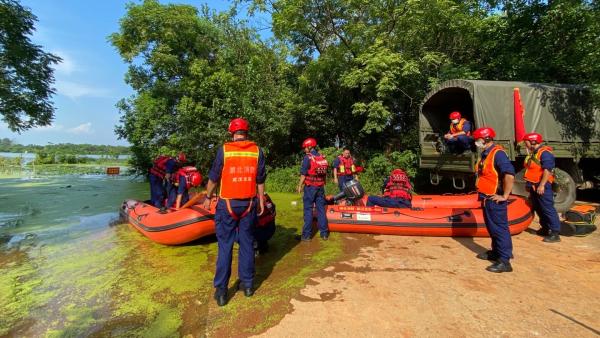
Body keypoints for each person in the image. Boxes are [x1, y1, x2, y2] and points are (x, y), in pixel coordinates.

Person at [203, 117, 266, 307]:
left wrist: (207, 196)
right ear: (246, 132)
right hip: (249, 204)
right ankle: (247, 286)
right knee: (247, 244)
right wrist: (261, 200)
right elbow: (260, 179)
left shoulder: (224, 150)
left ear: (232, 132)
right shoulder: (257, 151)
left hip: (227, 204)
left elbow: (214, 178)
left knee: (225, 246)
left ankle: (222, 292)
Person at [473, 127, 515, 273]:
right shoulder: (486, 153)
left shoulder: (498, 154)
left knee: (499, 228)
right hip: (486, 197)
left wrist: (505, 196)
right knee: (492, 228)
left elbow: (509, 175)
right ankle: (496, 252)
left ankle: (505, 261)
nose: (476, 142)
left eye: (478, 140)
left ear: (486, 139)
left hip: (495, 198)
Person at [522, 132, 561, 243]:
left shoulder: (545, 153)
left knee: (548, 209)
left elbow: (547, 170)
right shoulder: (534, 153)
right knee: (539, 208)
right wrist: (529, 185)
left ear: (533, 142)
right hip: (534, 186)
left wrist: (542, 185)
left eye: (527, 142)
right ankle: (545, 228)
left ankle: (555, 233)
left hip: (542, 186)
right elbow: (531, 170)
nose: (525, 144)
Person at [297, 137, 329, 241]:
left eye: (305, 147)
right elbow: (324, 174)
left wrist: (299, 185)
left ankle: (306, 236)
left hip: (310, 187)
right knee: (321, 210)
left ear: (310, 147)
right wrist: (324, 183)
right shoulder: (321, 156)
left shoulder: (308, 158)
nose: (304, 149)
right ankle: (324, 234)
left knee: (308, 210)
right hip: (320, 187)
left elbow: (303, 173)